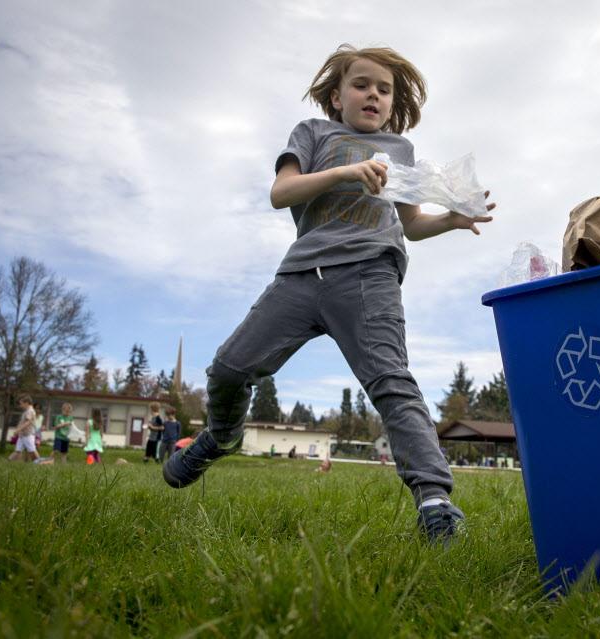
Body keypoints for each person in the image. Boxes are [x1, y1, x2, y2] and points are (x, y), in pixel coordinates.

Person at [162, 44, 493, 544]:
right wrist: (343, 172)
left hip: (369, 277)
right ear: (336, 97)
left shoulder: (400, 152)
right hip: (301, 276)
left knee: (391, 381)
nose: (374, 95)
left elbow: (411, 224)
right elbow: (282, 193)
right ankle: (221, 436)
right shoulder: (313, 134)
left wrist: (450, 219)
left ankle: (435, 502)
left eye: (385, 90)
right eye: (362, 85)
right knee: (229, 368)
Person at [8, 395, 38, 462]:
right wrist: (17, 430)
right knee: (18, 451)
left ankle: (40, 463)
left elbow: (27, 422)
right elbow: (22, 422)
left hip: (28, 435)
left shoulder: (30, 411)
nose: (20, 406)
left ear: (26, 403)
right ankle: (8, 462)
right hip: (22, 435)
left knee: (32, 451)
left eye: (21, 404)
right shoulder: (26, 411)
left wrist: (18, 430)